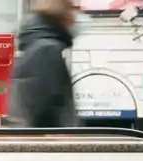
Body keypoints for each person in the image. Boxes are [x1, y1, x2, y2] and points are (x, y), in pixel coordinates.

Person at [7, 0, 88, 128]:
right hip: (47, 145)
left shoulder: (38, 47)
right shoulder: (46, 50)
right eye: (75, 8)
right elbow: (44, 113)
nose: (80, 13)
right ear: (63, 12)